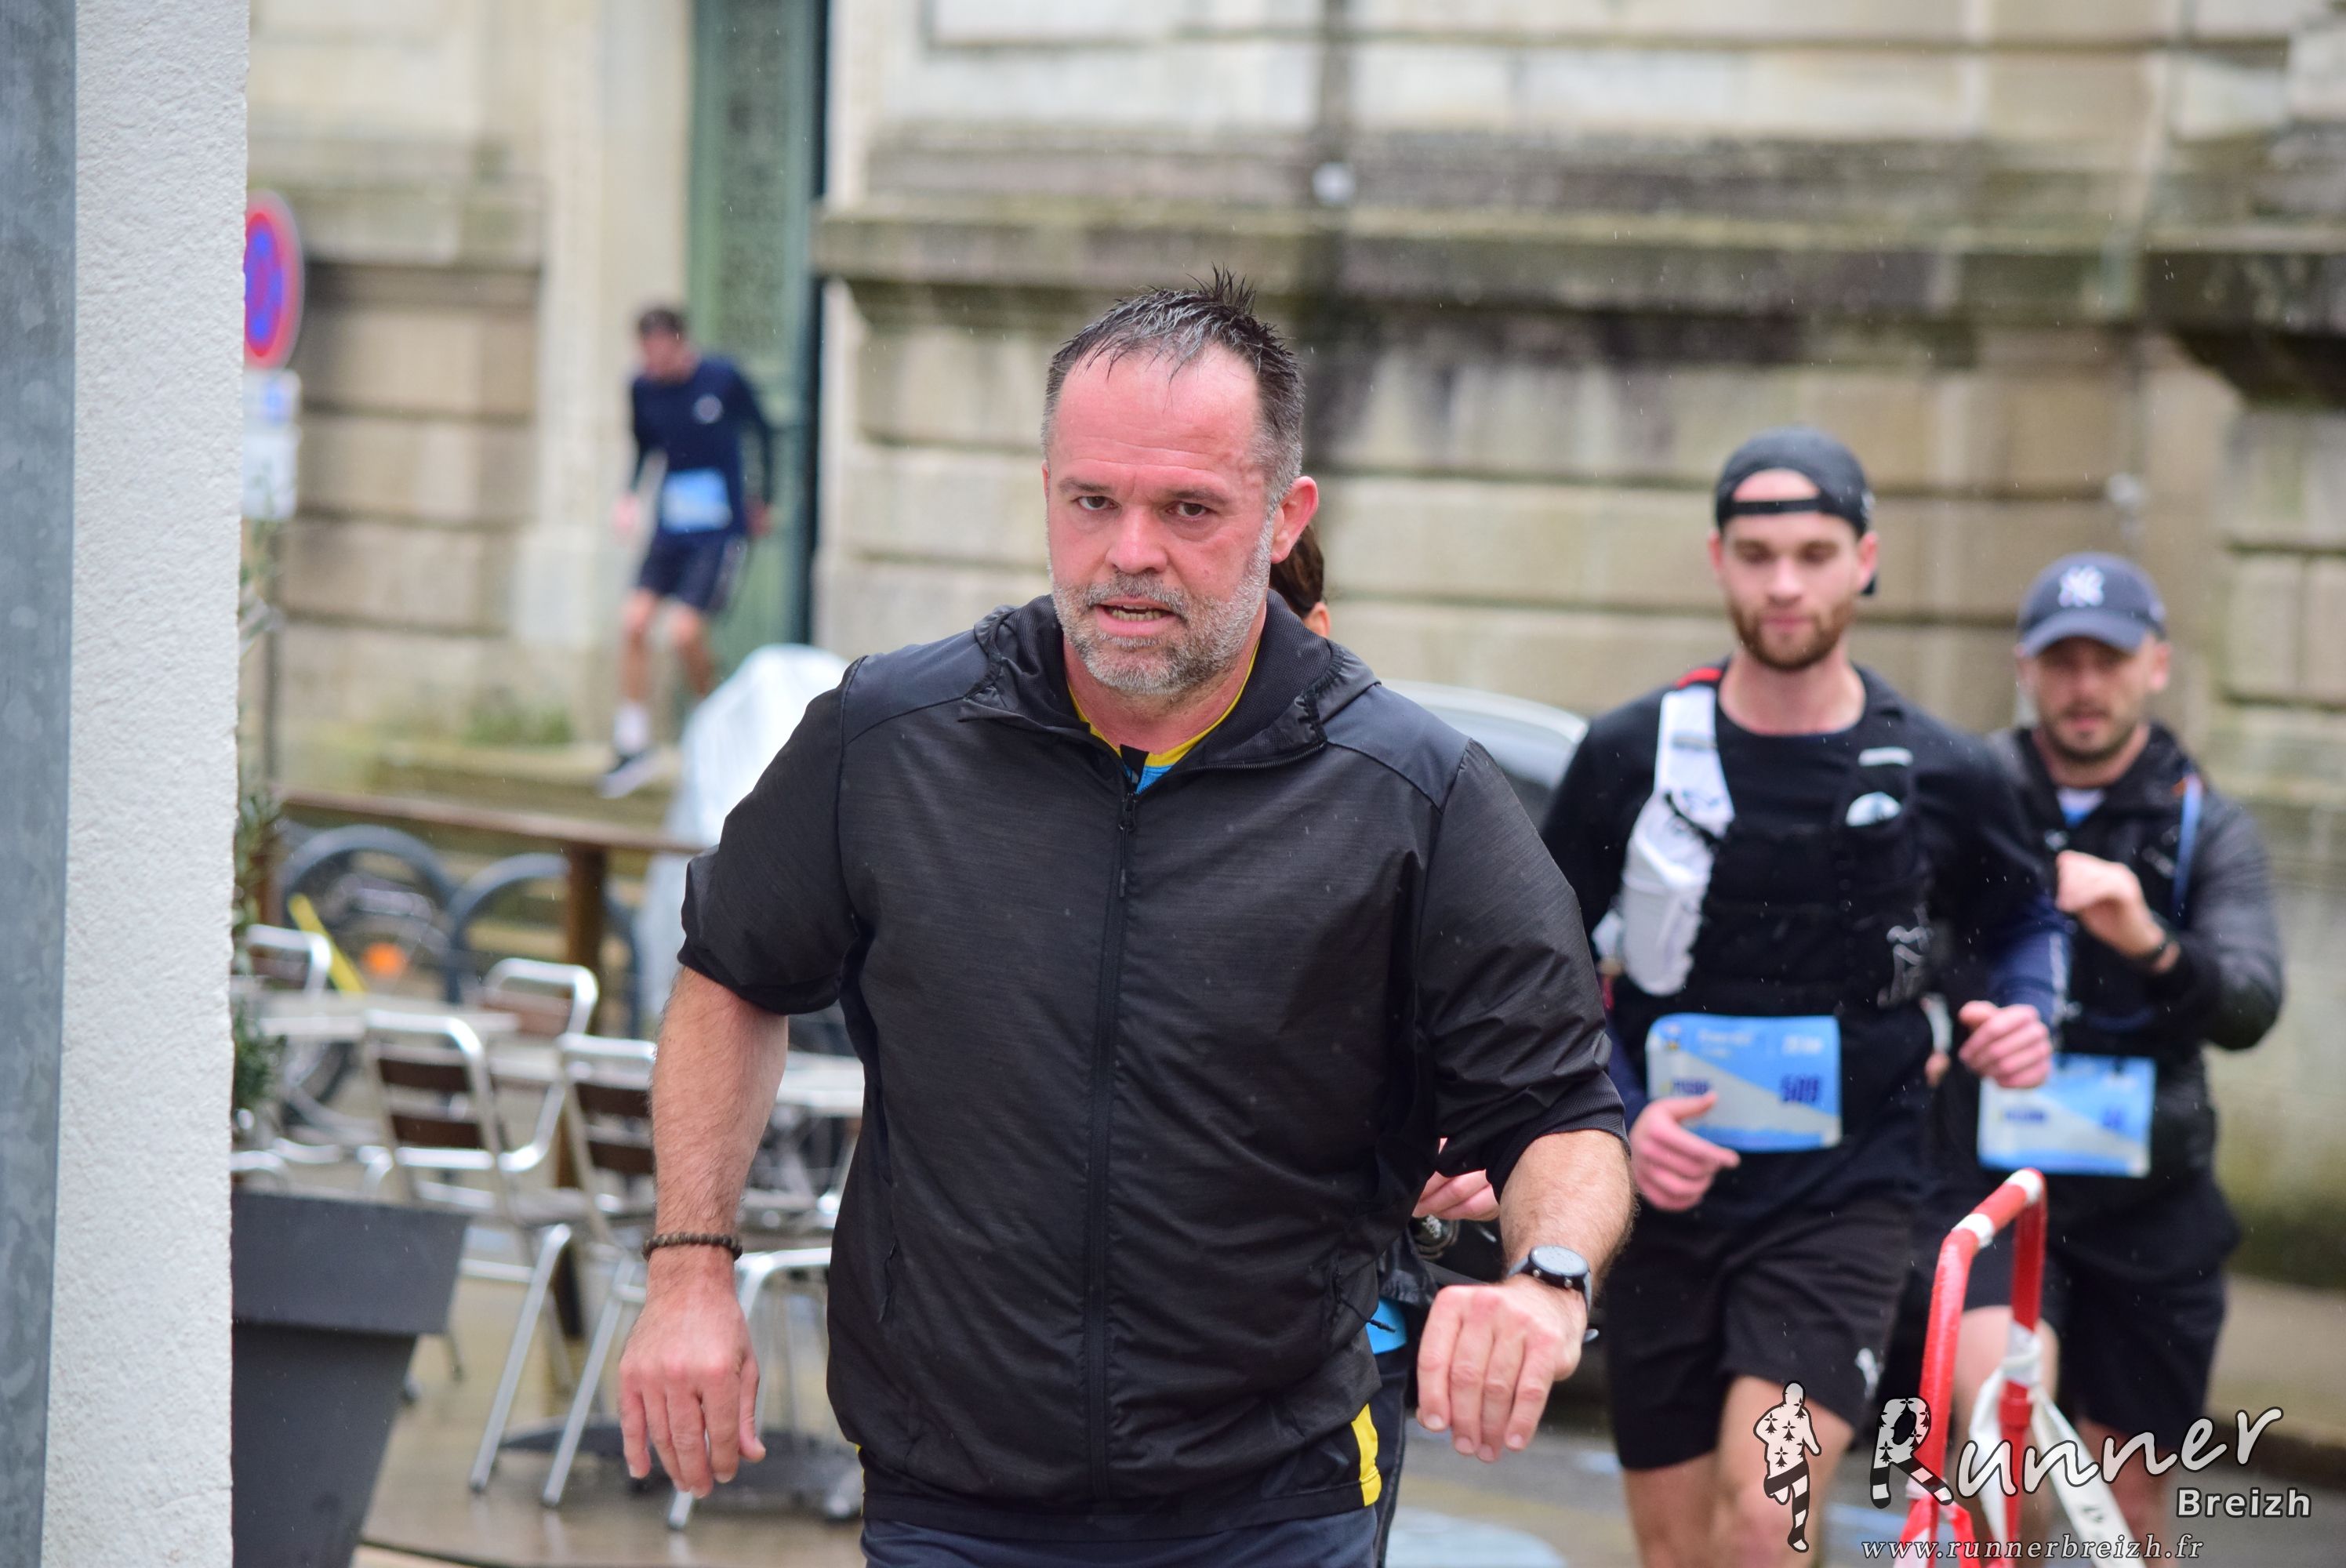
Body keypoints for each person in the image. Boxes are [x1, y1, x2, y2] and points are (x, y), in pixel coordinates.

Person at [617, 274, 1636, 1567]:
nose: (1130, 552)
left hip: (1269, 1503)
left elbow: (1562, 1111)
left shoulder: (1414, 794)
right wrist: (690, 1267)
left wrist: (1546, 1285)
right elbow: (730, 974)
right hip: (948, 1499)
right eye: (1091, 502)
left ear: (1284, 517)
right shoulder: (889, 738)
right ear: (1046, 492)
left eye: (1189, 509)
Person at [1539, 426, 2067, 1568]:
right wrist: (1621, 1116)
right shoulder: (1631, 752)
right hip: (1664, 1204)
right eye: (1758, 554)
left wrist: (2028, 1009)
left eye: (1815, 554)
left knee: (1759, 1512)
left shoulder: (1942, 768)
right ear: (1717, 560)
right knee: (1676, 1548)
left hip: (1845, 1199)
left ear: (1864, 561)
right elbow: (1542, 963)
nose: (1785, 583)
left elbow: (2026, 918)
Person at [1918, 554, 2284, 1544]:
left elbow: (2250, 1004)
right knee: (2002, 1462)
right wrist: (1944, 1028)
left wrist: (2147, 939)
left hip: (2150, 1205)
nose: (2084, 686)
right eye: (2061, 661)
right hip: (1997, 1188)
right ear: (2024, 668)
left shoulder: (2203, 822)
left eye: (2108, 661)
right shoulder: (1969, 795)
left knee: (2126, 1508)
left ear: (2155, 664)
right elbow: (1900, 944)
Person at [1267, 525, 1507, 1566]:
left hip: (1340, 1348)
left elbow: (1528, 1074)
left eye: (1263, 620)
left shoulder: (1409, 812)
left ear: (1318, 631)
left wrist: (1471, 1160)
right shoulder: (1079, 812)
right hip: (1093, 1371)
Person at [601, 305, 775, 797]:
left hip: (719, 531)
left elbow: (763, 432)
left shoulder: (722, 379)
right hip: (672, 529)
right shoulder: (641, 388)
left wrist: (764, 498)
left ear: (680, 343)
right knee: (634, 621)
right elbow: (644, 447)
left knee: (684, 632)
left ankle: (713, 729)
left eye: (661, 352)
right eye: (646, 354)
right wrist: (630, 497)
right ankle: (632, 743)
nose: (653, 363)